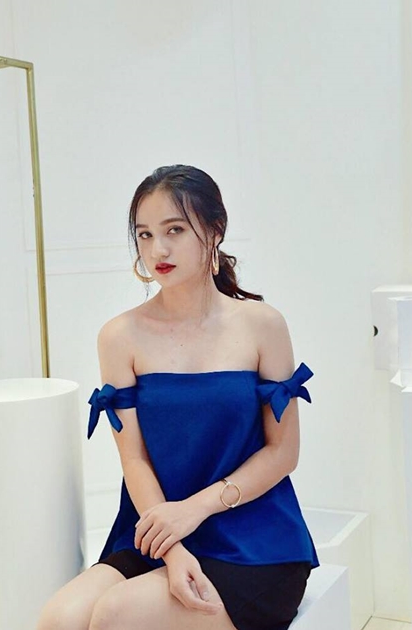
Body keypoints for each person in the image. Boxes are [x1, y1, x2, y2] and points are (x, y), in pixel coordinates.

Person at [36, 164, 318, 630]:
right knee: (60, 619)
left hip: (252, 540)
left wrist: (194, 510)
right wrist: (172, 547)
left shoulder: (262, 325)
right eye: (145, 235)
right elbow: (134, 459)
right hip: (155, 529)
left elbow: (283, 452)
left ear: (215, 230)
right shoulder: (119, 336)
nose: (157, 250)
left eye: (175, 230)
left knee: (116, 613)